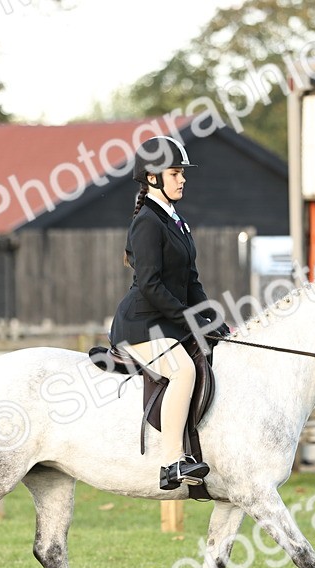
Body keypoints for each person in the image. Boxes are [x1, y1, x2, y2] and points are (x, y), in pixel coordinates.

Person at [110, 136, 230, 491]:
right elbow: (151, 285)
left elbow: (191, 280)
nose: (182, 179)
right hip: (141, 324)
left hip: (166, 321)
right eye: (175, 173)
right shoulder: (147, 222)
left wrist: (213, 320)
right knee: (183, 370)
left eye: (182, 173)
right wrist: (189, 320)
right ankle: (172, 462)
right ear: (152, 178)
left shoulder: (176, 220)